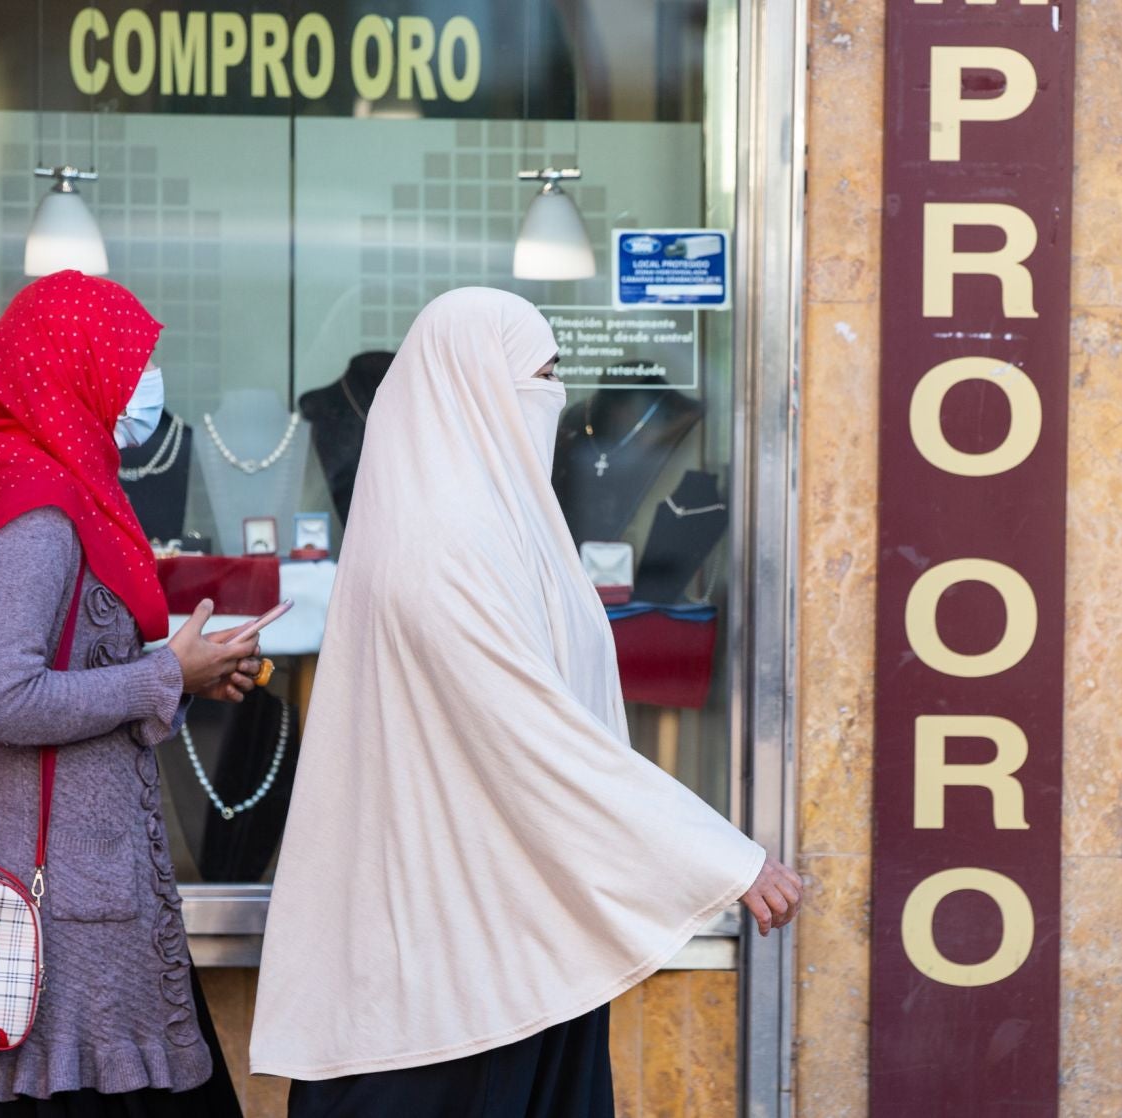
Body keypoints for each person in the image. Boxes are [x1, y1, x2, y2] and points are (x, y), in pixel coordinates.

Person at [250, 288, 802, 1114]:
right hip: (442, 972)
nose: (551, 398)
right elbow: (532, 733)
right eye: (537, 377)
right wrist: (718, 856)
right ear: (475, 386)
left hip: (512, 939)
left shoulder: (499, 526)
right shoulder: (441, 545)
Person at [0, 271, 262, 1116]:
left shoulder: (16, 482)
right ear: (72, 365)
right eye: (131, 363)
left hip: (65, 886)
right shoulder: (38, 512)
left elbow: (69, 672)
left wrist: (185, 679)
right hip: (62, 912)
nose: (146, 385)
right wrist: (165, 673)